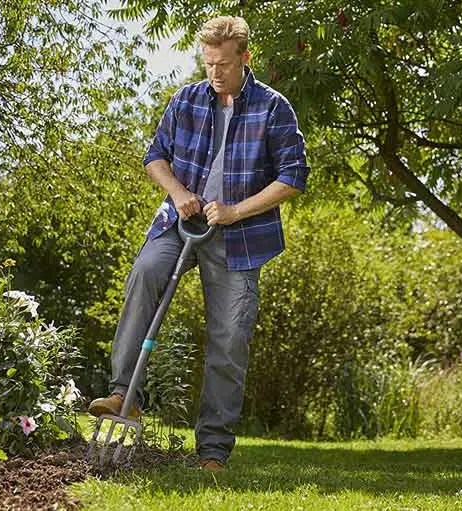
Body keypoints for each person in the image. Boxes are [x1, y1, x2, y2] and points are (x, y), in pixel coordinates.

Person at [88, 15, 310, 472]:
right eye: (208, 63)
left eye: (224, 64)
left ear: (245, 59)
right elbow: (156, 157)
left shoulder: (273, 108)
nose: (215, 72)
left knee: (229, 337)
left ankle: (212, 450)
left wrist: (235, 210)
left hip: (241, 236)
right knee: (146, 271)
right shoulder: (186, 100)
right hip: (181, 220)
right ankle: (124, 395)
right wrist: (179, 193)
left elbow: (293, 177)